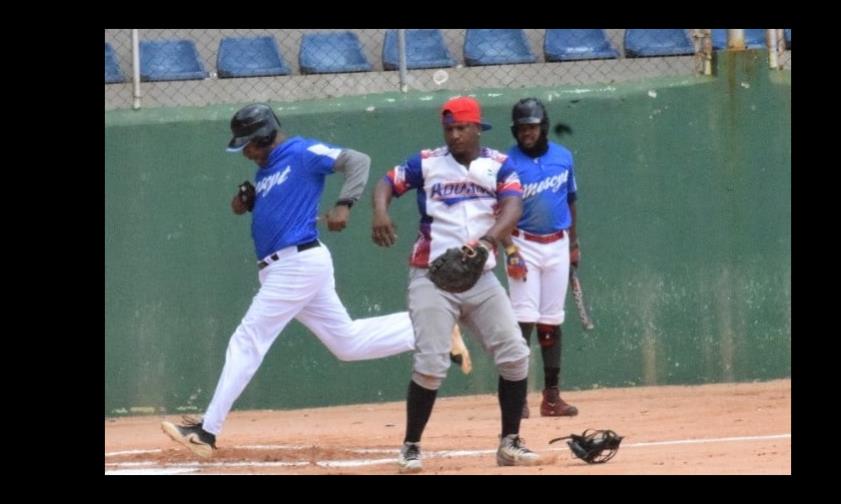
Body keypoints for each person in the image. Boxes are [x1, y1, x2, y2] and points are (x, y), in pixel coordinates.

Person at [160, 103, 473, 458]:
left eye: (249, 144)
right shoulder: (266, 172)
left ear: (265, 135)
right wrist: (246, 200)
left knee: (248, 339)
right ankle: (432, 329)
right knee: (347, 342)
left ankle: (206, 432)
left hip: (298, 263)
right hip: (286, 267)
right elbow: (261, 208)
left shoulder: (303, 151)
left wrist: (345, 203)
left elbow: (358, 160)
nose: (246, 152)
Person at [372, 96, 540, 473]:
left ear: (477, 128)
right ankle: (411, 445)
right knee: (431, 363)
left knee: (515, 356)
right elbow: (387, 182)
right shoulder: (427, 163)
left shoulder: (499, 165)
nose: (454, 135)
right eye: (449, 129)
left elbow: (513, 208)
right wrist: (380, 211)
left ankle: (510, 442)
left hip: (480, 277)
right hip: (432, 276)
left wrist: (487, 241)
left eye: (461, 128)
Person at [502, 97, 579, 418]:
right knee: (523, 321)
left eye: (532, 126)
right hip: (523, 245)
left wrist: (574, 244)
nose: (527, 133)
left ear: (543, 127)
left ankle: (551, 397)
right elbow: (500, 211)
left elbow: (571, 200)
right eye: (521, 128)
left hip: (558, 243)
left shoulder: (563, 158)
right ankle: (518, 396)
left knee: (551, 322)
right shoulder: (506, 163)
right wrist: (510, 251)